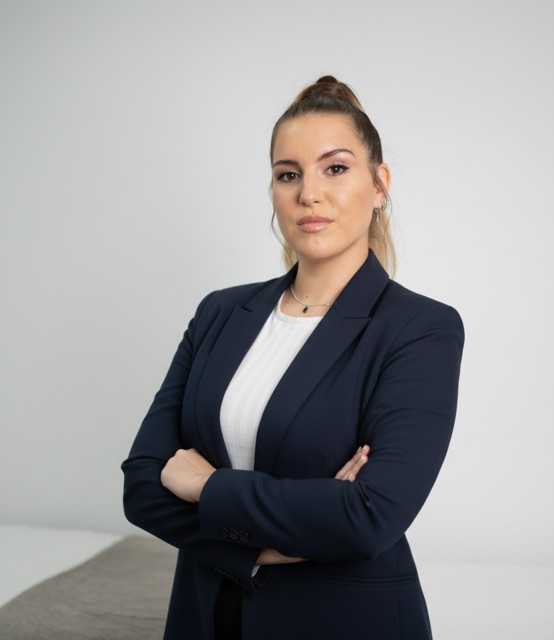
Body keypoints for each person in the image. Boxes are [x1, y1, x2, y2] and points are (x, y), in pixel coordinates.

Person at [120, 75, 465, 640]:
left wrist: (206, 487)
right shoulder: (220, 313)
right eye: (288, 174)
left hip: (343, 622)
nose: (309, 193)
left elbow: (368, 517)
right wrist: (269, 544)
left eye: (335, 168)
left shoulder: (420, 329)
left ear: (380, 184)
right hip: (204, 617)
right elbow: (142, 486)